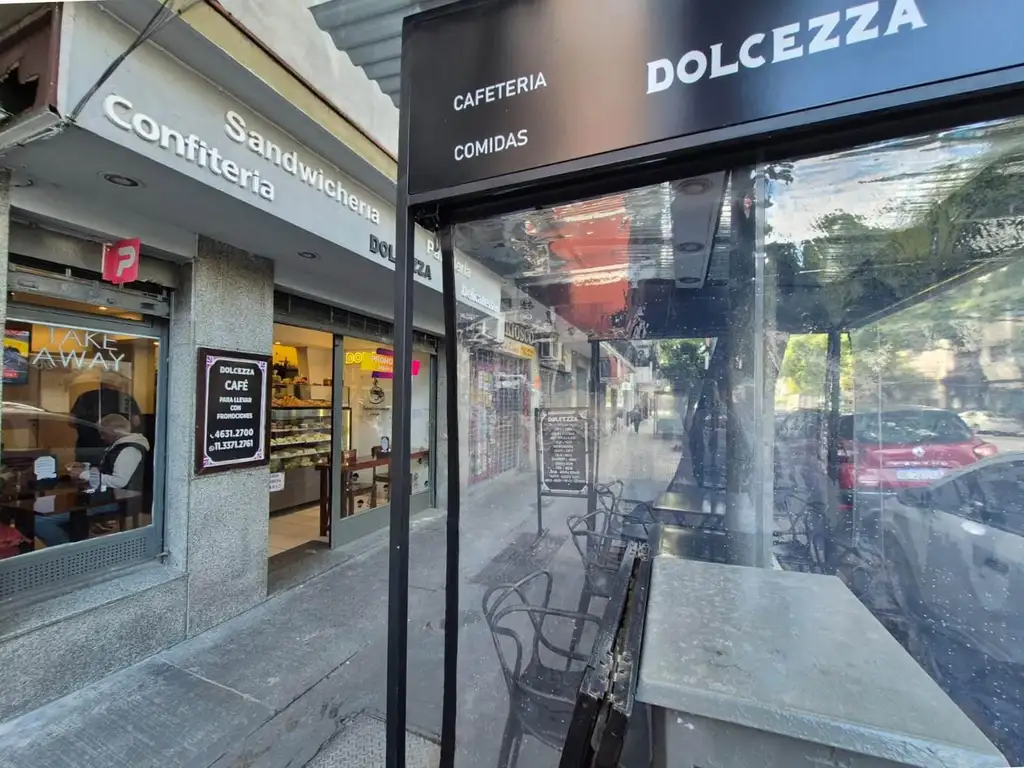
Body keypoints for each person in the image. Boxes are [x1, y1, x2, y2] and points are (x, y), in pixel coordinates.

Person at [34, 414, 150, 546]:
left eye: (103, 433)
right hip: (107, 497)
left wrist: (85, 474)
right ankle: (73, 544)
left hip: (115, 501)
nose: (101, 437)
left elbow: (119, 481)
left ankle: (68, 550)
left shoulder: (129, 449)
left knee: (40, 521)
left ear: (113, 431)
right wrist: (86, 468)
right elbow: (109, 469)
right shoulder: (122, 446)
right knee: (66, 511)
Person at [70, 377, 142, 463]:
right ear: (117, 384)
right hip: (117, 446)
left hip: (87, 445)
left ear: (101, 383)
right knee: (113, 469)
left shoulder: (85, 396)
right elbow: (136, 422)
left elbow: (72, 421)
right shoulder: (125, 398)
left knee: (86, 470)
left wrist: (88, 429)